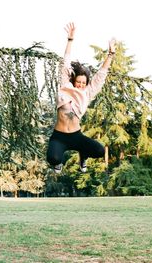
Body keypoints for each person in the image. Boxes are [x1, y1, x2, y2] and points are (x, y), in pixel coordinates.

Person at [46, 22, 116, 173]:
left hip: (76, 136)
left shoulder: (87, 93)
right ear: (73, 80)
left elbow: (101, 75)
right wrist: (70, 40)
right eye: (78, 82)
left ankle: (83, 155)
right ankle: (58, 163)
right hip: (59, 136)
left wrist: (110, 55)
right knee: (53, 158)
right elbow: (65, 63)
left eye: (83, 83)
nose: (80, 85)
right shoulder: (65, 85)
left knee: (98, 151)